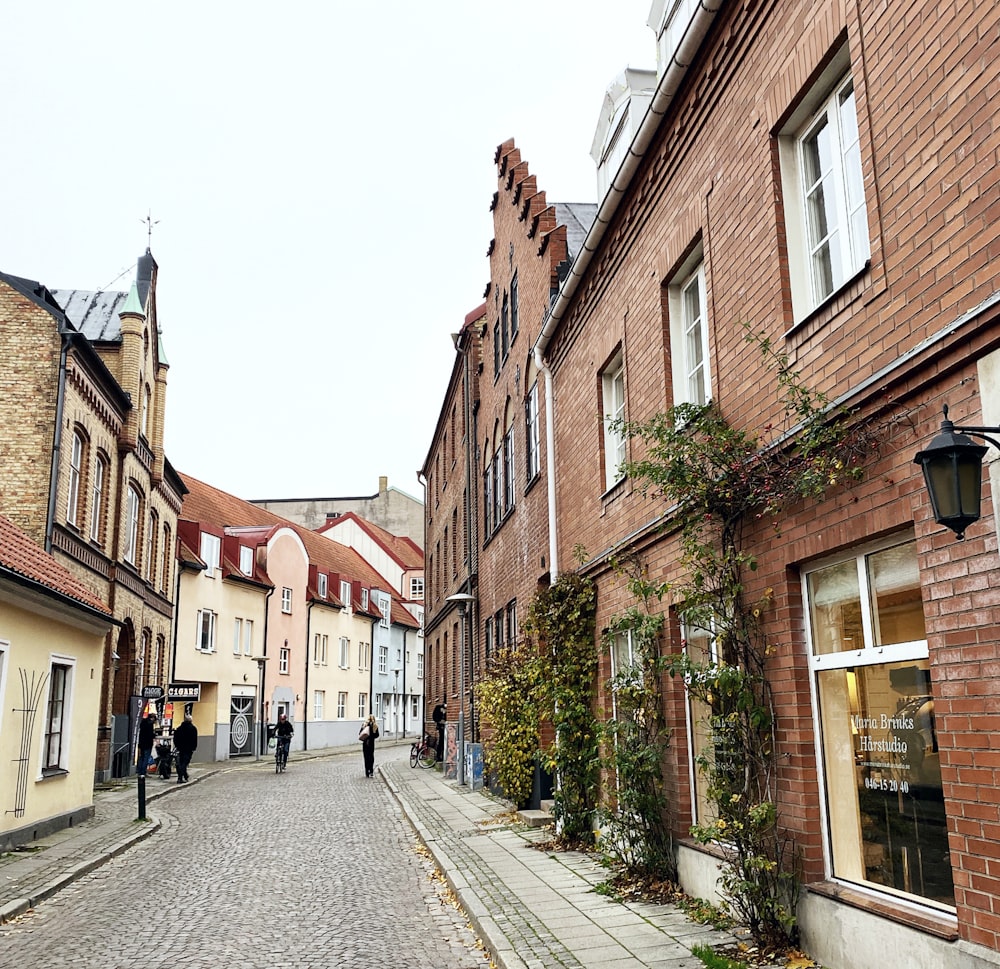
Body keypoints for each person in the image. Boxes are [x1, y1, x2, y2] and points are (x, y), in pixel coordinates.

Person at [173, 713, 198, 783]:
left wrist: (177, 745)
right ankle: (181, 777)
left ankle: (183, 776)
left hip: (180, 748)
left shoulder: (179, 728)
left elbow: (175, 738)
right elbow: (194, 739)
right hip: (188, 749)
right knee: (184, 763)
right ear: (191, 721)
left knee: (181, 762)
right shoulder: (193, 729)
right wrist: (194, 747)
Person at [136, 712, 157, 776]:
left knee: (141, 757)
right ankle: (143, 772)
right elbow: (150, 735)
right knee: (146, 758)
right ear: (153, 718)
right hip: (148, 744)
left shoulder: (143, 722)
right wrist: (154, 735)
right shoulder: (150, 724)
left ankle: (139, 771)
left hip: (141, 743)